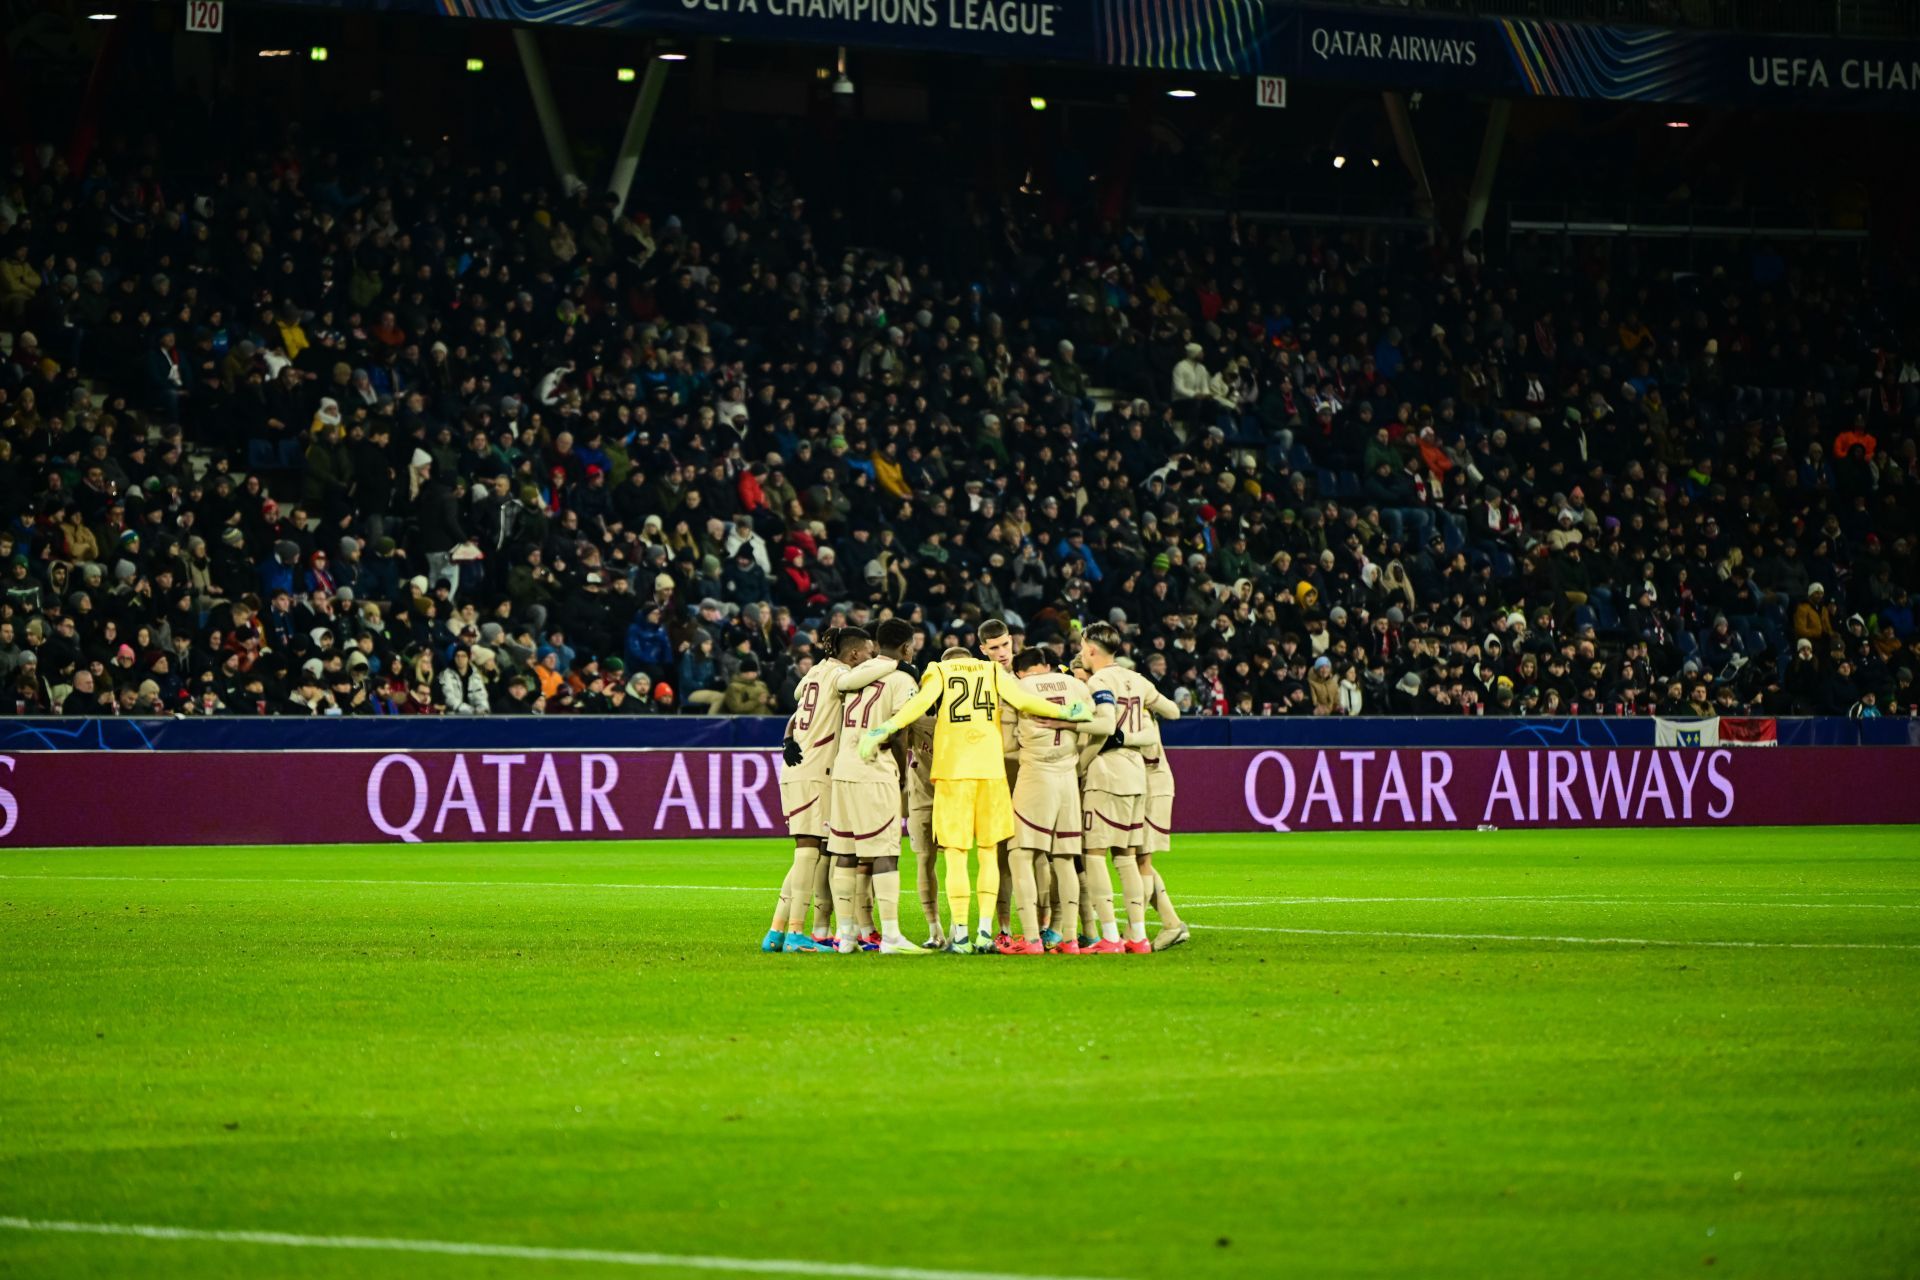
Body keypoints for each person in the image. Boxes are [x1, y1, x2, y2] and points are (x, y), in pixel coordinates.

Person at [858, 641, 1090, 955]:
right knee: (988, 852)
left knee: (955, 854)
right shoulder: (992, 669)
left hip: (954, 770)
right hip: (990, 769)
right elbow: (1023, 700)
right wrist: (1063, 711)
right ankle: (984, 932)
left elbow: (919, 704)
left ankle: (962, 936)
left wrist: (884, 728)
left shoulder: (938, 670)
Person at [763, 628, 892, 953]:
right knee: (808, 852)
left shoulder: (812, 674)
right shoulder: (840, 675)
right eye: (868, 653)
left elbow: (797, 707)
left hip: (797, 768)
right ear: (852, 656)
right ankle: (794, 934)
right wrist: (896, 662)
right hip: (816, 770)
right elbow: (861, 677)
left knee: (811, 852)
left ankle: (777, 932)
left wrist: (787, 736)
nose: (871, 658)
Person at [822, 619, 928, 955]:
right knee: (884, 853)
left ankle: (846, 935)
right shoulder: (901, 679)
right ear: (907, 647)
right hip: (873, 771)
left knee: (845, 852)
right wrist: (899, 771)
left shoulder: (858, 674)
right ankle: (893, 936)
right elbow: (898, 731)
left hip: (843, 768)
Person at [1078, 621, 1180, 954]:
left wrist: (1081, 764)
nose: (1081, 653)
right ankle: (1137, 936)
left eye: (1082, 647)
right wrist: (1140, 730)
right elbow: (1173, 711)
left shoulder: (1099, 680)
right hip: (1140, 775)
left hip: (1109, 772)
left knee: (1093, 854)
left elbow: (1105, 726)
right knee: (1128, 856)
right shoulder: (1138, 680)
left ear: (1092, 648)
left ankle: (1109, 936)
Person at [1001, 647, 1105, 954]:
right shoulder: (1076, 685)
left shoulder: (1017, 688)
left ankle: (1032, 938)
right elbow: (1093, 729)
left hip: (1036, 774)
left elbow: (1007, 745)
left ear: (1021, 671)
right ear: (1047, 664)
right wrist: (1076, 762)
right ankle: (1070, 939)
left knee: (1020, 854)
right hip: (1067, 777)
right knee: (1064, 858)